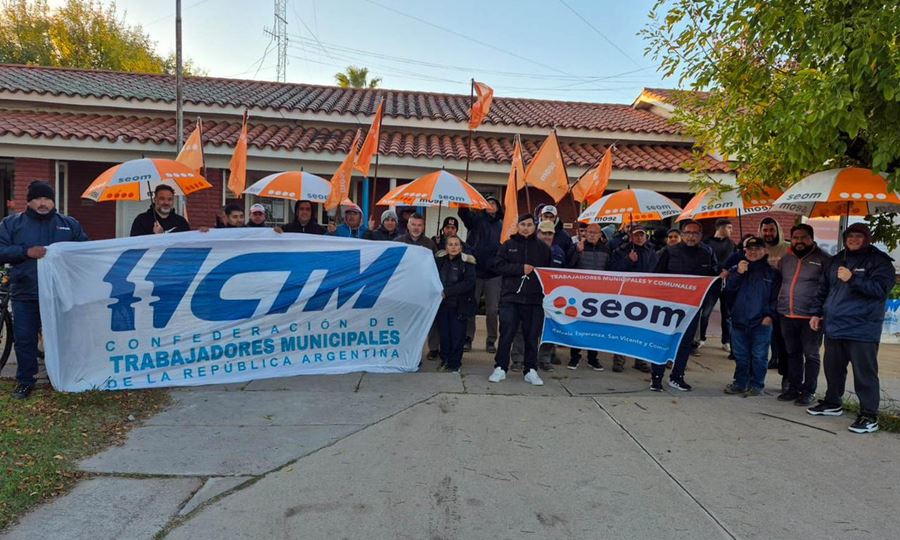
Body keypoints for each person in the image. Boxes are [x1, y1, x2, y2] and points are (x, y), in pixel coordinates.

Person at [0, 181, 89, 399]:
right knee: (24, 339)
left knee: (62, 338)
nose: (43, 203)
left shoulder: (69, 224)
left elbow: (86, 251)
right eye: (38, 198)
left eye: (47, 198)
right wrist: (26, 252)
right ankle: (25, 381)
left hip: (60, 294)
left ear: (53, 201)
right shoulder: (12, 224)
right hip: (25, 292)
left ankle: (62, 376)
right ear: (29, 201)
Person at [807, 223, 895, 434]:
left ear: (867, 239)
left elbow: (881, 290)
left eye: (858, 236)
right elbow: (823, 289)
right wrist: (816, 312)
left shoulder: (880, 262)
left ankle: (869, 415)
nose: (853, 239)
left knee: (864, 374)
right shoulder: (837, 260)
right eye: (850, 236)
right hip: (834, 326)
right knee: (833, 369)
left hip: (862, 328)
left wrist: (853, 279)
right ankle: (832, 403)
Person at [652, 219, 719, 392]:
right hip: (669, 306)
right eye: (688, 233)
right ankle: (656, 377)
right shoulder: (669, 251)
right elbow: (657, 277)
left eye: (695, 233)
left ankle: (677, 377)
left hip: (693, 308)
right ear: (682, 234)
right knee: (664, 340)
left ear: (700, 235)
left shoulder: (707, 253)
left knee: (685, 342)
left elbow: (714, 276)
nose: (691, 236)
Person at [488, 214, 551, 386]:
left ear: (534, 227)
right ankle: (500, 367)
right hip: (511, 298)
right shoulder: (508, 245)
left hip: (534, 300)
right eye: (523, 224)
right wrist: (519, 269)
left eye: (529, 225)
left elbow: (549, 272)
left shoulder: (543, 248)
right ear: (517, 226)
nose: (526, 228)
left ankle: (530, 370)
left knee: (532, 336)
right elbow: (497, 266)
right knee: (506, 334)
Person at [775, 224, 830, 405]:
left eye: (803, 237)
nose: (799, 241)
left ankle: (809, 391)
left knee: (811, 355)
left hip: (811, 317)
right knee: (792, 353)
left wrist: (819, 313)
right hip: (787, 314)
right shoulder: (785, 259)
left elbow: (828, 288)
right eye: (795, 237)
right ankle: (794, 388)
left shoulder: (824, 259)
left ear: (811, 238)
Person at [723, 237, 780, 397]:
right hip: (739, 320)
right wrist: (738, 274)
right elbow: (728, 292)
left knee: (759, 356)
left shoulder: (773, 272)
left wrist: (770, 315)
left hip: (761, 322)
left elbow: (777, 297)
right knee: (741, 356)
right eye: (750, 249)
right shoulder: (737, 269)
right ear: (745, 251)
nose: (753, 252)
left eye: (757, 249)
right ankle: (740, 383)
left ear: (765, 251)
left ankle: (757, 384)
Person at [608, 224, 658, 373]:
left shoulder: (652, 251)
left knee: (641, 328)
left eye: (642, 234)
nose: (639, 237)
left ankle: (640, 359)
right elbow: (612, 270)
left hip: (646, 294)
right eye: (636, 235)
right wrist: (628, 260)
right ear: (630, 237)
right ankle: (619, 359)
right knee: (622, 327)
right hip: (626, 295)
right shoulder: (620, 251)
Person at [459, 196, 503, 354]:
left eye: (494, 203)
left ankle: (491, 340)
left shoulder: (503, 225)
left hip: (494, 274)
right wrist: (463, 201)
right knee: (471, 306)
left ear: (498, 207)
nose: (491, 205)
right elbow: (464, 214)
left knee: (492, 310)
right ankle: (468, 338)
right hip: (475, 271)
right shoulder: (476, 220)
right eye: (488, 202)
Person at [566, 223, 611, 371]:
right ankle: (574, 356)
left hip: (598, 294)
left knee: (595, 327)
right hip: (580, 293)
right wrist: (576, 252)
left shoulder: (606, 249)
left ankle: (593, 358)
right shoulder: (577, 247)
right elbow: (568, 266)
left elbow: (610, 270)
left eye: (594, 232)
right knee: (578, 325)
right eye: (589, 232)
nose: (591, 235)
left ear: (600, 235)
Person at [433, 235, 476, 372]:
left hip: (459, 305)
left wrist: (448, 292)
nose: (453, 247)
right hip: (442, 305)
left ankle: (455, 364)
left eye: (456, 244)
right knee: (444, 335)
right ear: (446, 247)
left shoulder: (468, 263)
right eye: (450, 244)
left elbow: (469, 283)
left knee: (457, 336)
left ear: (461, 247)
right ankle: (444, 360)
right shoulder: (439, 261)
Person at [758, 216, 790, 379]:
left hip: (784, 299)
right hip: (762, 300)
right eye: (765, 230)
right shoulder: (756, 248)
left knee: (783, 338)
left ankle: (786, 376)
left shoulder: (788, 248)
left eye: (772, 230)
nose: (768, 233)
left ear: (778, 230)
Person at [705, 219, 736, 352]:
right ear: (720, 228)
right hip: (712, 282)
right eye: (729, 227)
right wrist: (718, 271)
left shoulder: (732, 244)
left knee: (727, 314)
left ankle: (726, 340)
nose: (731, 230)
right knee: (705, 312)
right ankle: (701, 338)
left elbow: (735, 260)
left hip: (727, 282)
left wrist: (728, 270)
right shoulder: (707, 243)